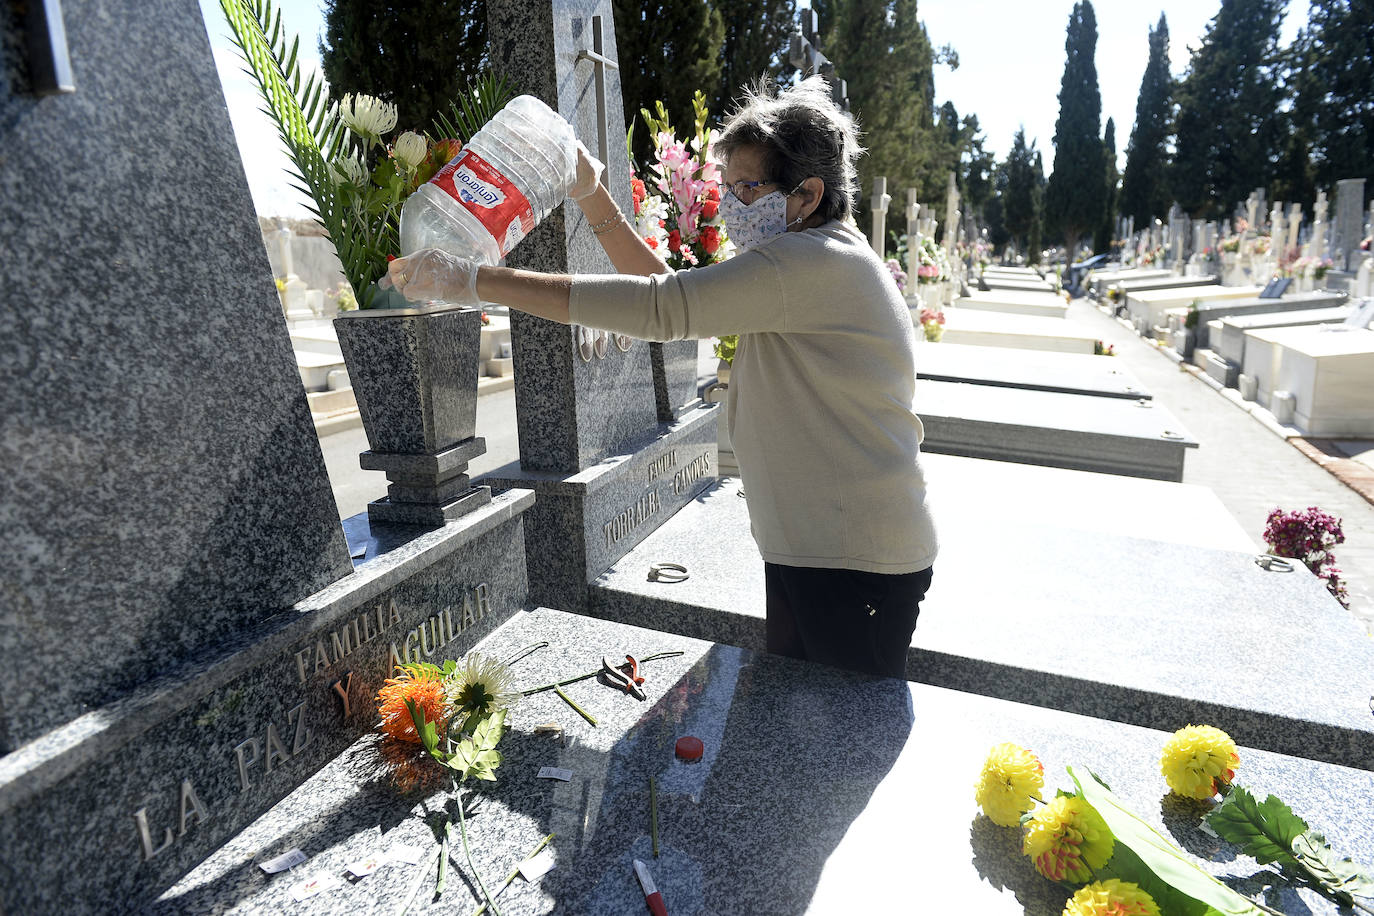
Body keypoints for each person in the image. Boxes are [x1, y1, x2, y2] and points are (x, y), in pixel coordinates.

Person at [387, 77, 937, 678]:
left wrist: (476, 280)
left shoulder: (811, 265)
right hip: (828, 548)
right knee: (800, 726)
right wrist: (594, 197)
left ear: (807, 193)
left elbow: (662, 307)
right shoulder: (811, 259)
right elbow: (671, 298)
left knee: (830, 740)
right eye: (726, 188)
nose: (731, 206)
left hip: (853, 560)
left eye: (747, 189)